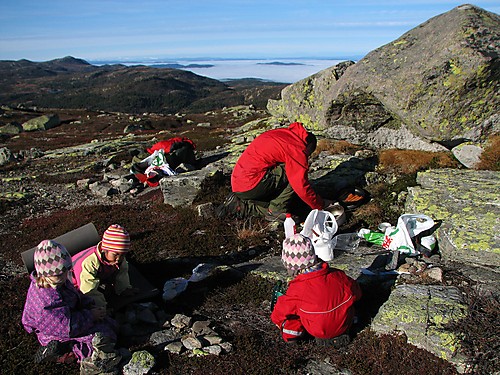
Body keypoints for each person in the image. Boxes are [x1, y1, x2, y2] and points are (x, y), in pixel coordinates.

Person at [22, 240, 121, 373]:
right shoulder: (45, 300)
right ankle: (64, 354)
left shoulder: (57, 282)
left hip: (71, 318)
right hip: (53, 332)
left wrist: (90, 305)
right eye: (59, 274)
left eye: (66, 270)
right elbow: (65, 327)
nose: (64, 276)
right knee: (99, 337)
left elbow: (76, 296)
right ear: (45, 273)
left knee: (107, 326)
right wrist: (91, 315)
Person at [217, 122, 330, 221]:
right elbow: (300, 185)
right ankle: (276, 210)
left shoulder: (284, 134)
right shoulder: (296, 148)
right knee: (294, 172)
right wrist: (320, 205)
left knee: (289, 173)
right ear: (308, 147)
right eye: (308, 154)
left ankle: (241, 205)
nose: (307, 157)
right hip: (251, 185)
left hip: (239, 183)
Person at [270, 233, 362, 346]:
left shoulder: (298, 289)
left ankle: (292, 337)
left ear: (292, 269)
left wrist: (277, 320)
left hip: (316, 329)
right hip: (344, 325)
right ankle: (346, 328)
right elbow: (357, 292)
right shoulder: (337, 275)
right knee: (348, 304)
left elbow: (281, 311)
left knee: (292, 318)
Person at [72, 224, 139, 309]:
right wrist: (101, 307)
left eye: (122, 255)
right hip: (74, 282)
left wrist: (124, 289)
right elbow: (88, 289)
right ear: (105, 249)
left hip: (98, 277)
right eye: (115, 255)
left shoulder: (117, 259)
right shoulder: (89, 262)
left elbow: (122, 273)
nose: (118, 259)